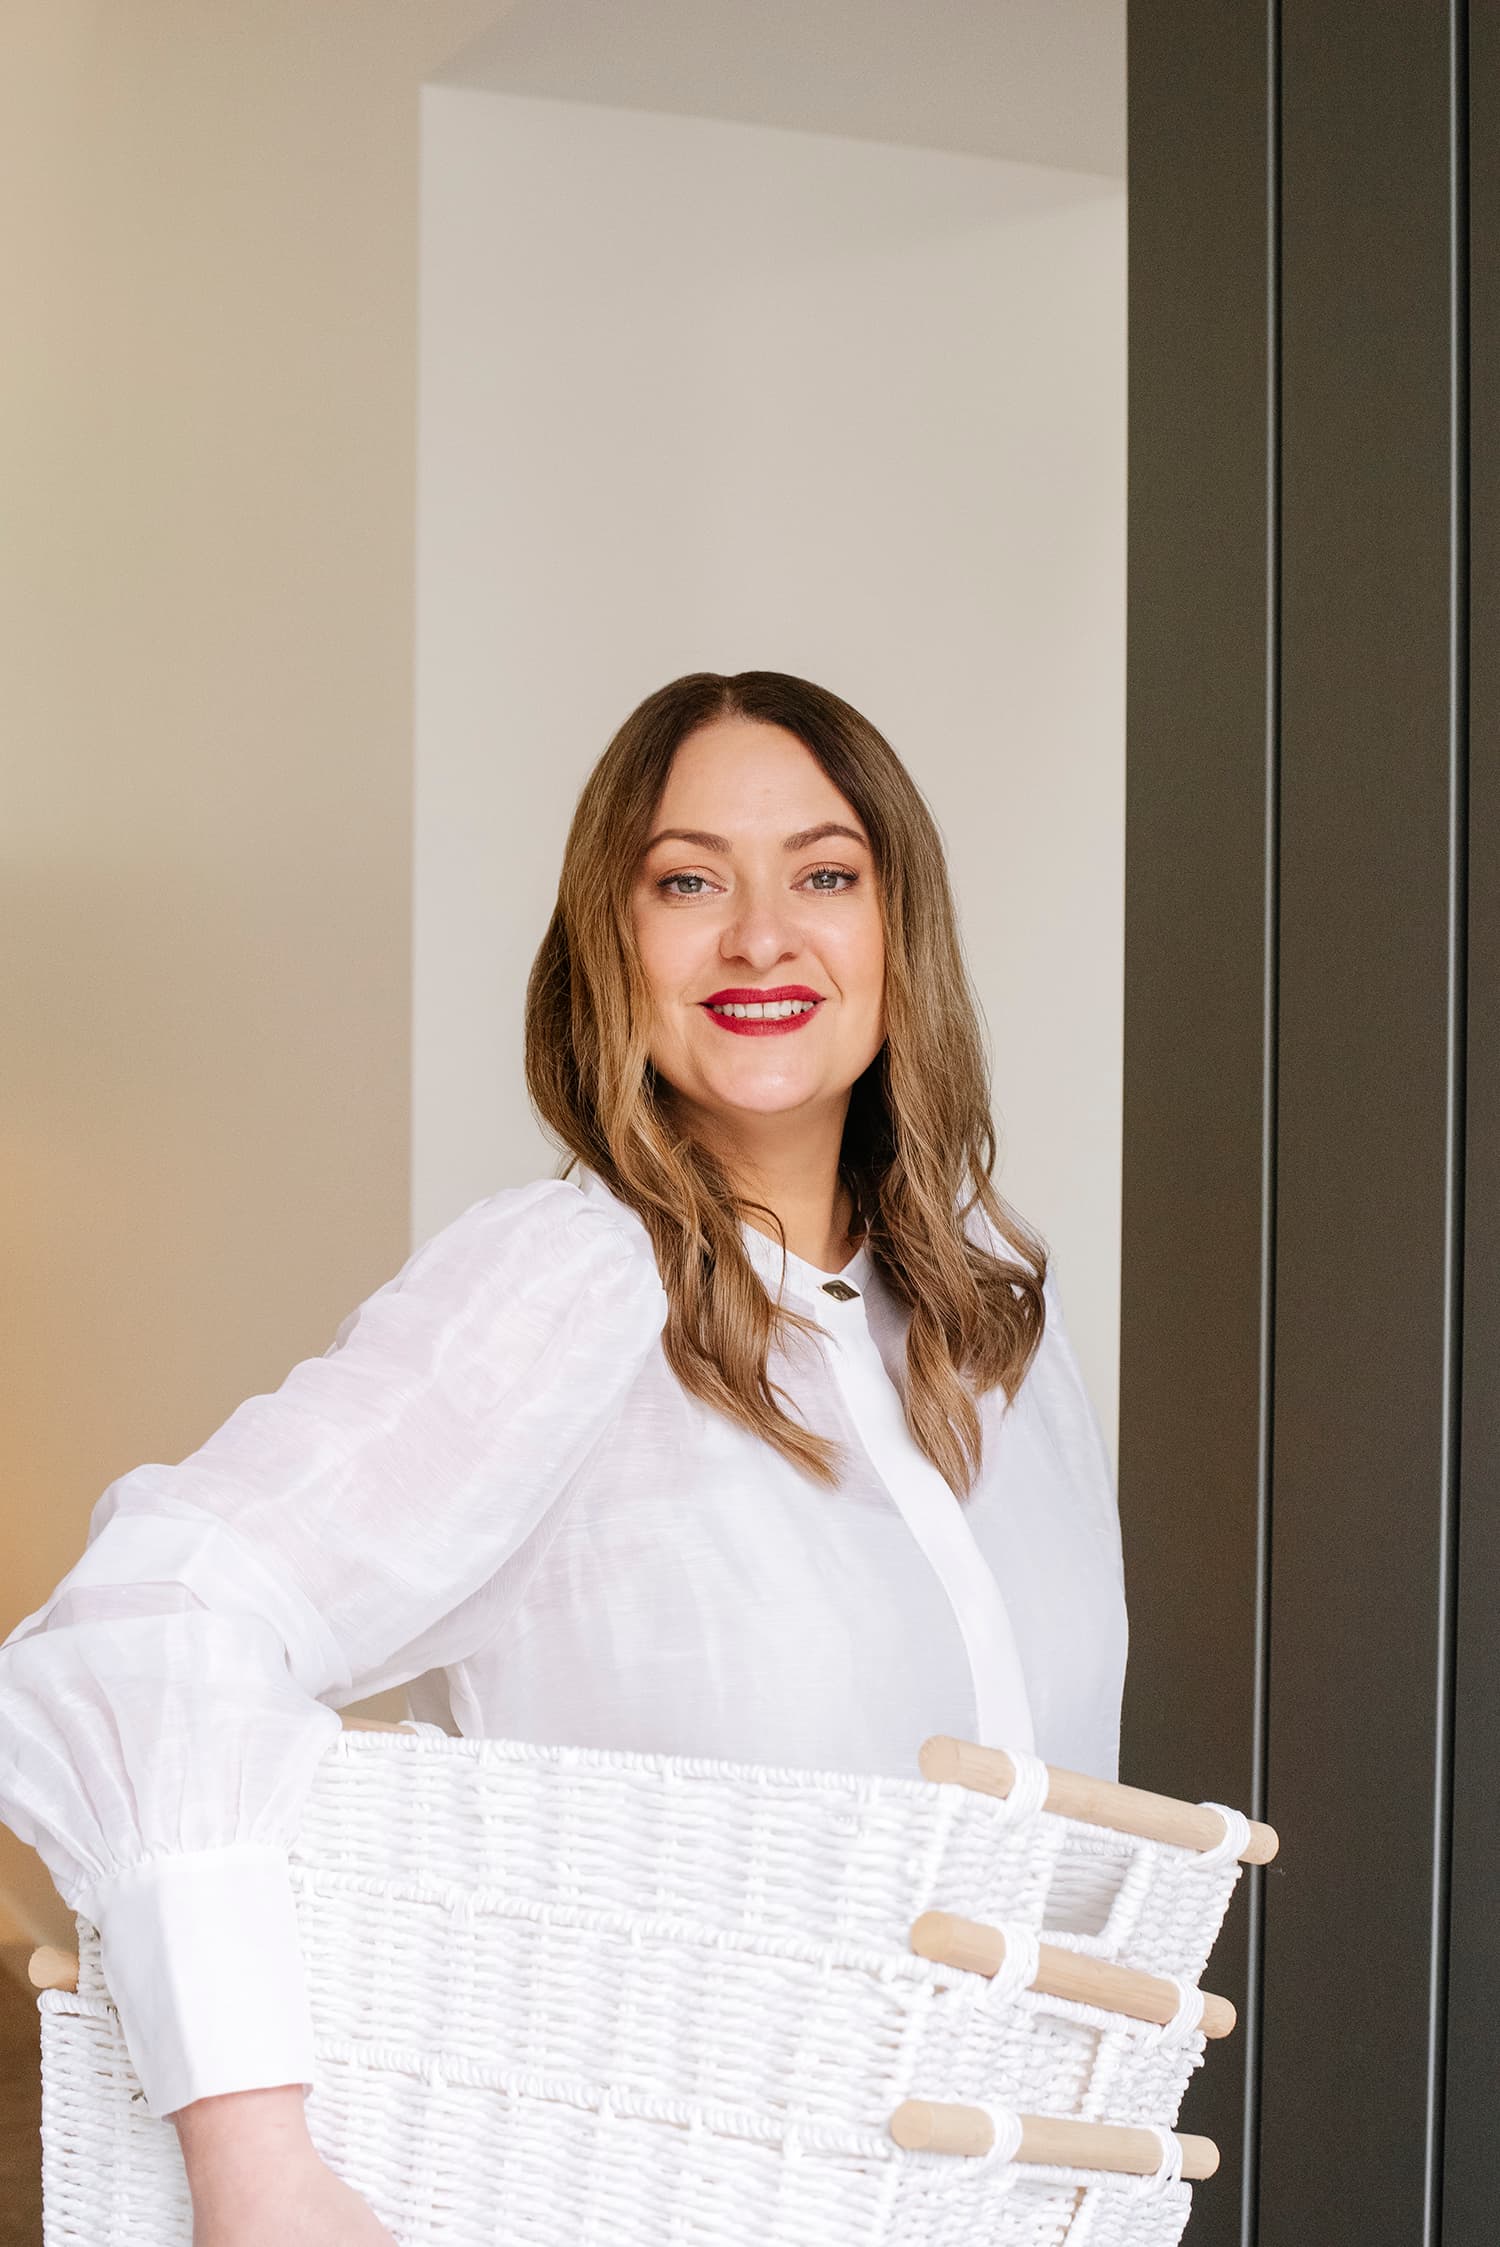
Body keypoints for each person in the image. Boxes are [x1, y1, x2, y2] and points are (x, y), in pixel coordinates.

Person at [0, 670, 1127, 2245]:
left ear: (898, 934)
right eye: (685, 882)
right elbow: (138, 1630)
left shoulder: (999, 1320)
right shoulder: (572, 1284)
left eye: (822, 874)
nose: (757, 937)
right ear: (614, 945)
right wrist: (256, 2170)